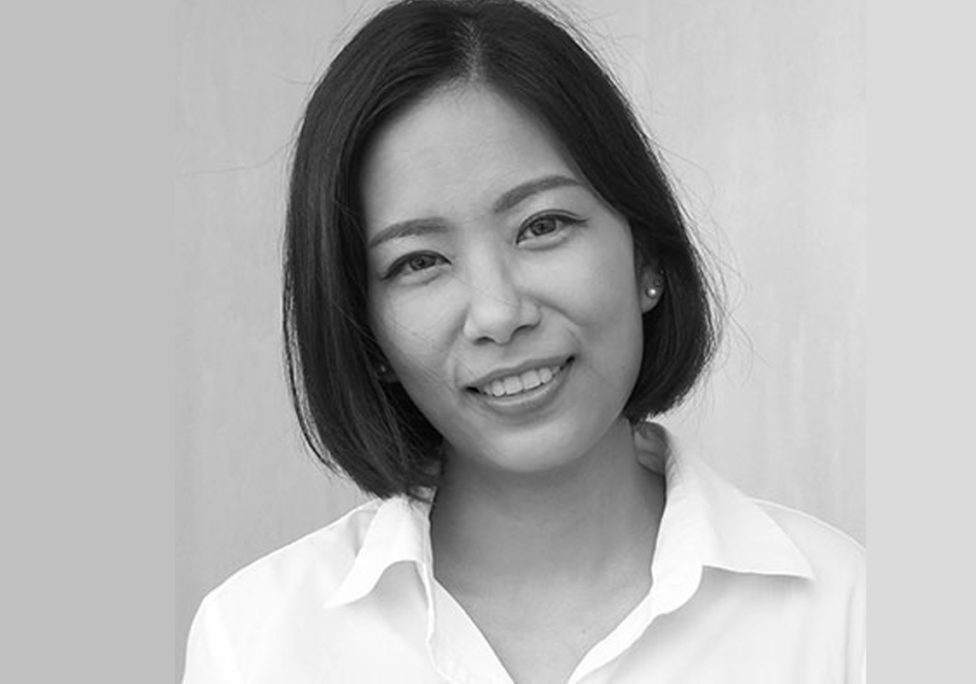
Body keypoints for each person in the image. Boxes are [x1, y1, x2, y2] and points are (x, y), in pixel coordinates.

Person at [182, 0, 865, 682]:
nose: (499, 313)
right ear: (367, 335)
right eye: (418, 261)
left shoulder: (845, 611)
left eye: (543, 225)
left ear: (647, 259)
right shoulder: (258, 640)